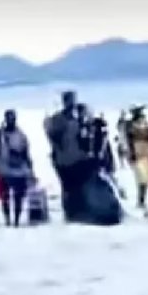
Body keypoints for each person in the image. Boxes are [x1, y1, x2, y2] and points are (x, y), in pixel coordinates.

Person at [45, 91, 91, 219]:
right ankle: (70, 213)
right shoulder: (59, 119)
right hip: (63, 159)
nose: (73, 103)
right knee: (68, 188)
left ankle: (78, 211)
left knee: (77, 187)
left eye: (73, 100)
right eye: (70, 100)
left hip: (77, 157)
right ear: (65, 102)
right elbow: (53, 137)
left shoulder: (75, 118)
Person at [0, 109, 33, 227]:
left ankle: (16, 221)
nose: (11, 120)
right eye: (9, 118)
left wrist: (30, 170)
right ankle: (8, 220)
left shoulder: (21, 135)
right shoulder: (0, 135)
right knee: (5, 197)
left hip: (18, 170)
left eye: (12, 118)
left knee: (18, 197)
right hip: (4, 170)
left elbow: (26, 153)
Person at [126, 105, 148, 212]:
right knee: (141, 179)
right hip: (138, 153)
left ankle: (142, 200)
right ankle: (141, 200)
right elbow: (129, 140)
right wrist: (131, 153)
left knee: (146, 179)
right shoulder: (131, 125)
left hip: (145, 153)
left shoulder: (144, 124)